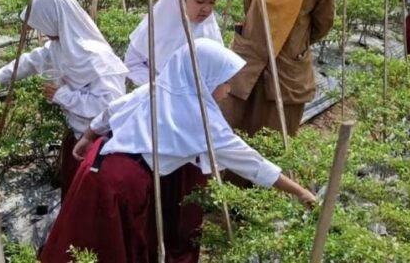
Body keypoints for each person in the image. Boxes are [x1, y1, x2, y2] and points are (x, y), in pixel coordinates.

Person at [40, 39, 317, 263]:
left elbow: (111, 112)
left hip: (97, 163)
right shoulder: (203, 122)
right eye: (224, 81)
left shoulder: (159, 87)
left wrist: (88, 138)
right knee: (112, 248)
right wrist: (300, 191)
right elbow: (253, 164)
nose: (228, 88)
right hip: (123, 183)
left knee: (81, 240)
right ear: (204, 78)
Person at [0, 0, 126, 199]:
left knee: (88, 205)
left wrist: (62, 95)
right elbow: (32, 61)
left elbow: (111, 105)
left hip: (100, 145)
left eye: (42, 24)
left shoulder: (96, 57)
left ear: (54, 18)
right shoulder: (60, 46)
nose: (42, 31)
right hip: (78, 137)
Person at [222, 0, 335, 138]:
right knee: (233, 125)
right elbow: (249, 4)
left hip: (287, 65)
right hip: (250, 57)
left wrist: (294, 42)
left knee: (273, 132)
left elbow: (322, 25)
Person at [124, 0, 223, 87]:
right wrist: (160, 86)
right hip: (156, 98)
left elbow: (218, 73)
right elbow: (132, 64)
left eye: (212, 2)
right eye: (200, 1)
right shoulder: (156, 25)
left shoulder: (210, 32)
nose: (207, 9)